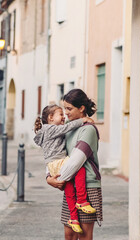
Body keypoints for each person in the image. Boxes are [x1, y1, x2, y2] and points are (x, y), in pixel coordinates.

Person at [46, 89, 103, 240]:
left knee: (84, 235)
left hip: (88, 187)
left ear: (82, 108)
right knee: (69, 234)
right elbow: (55, 153)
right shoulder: (68, 128)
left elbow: (75, 161)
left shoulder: (88, 130)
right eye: (64, 108)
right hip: (71, 185)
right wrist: (48, 177)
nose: (65, 113)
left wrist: (58, 179)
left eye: (69, 108)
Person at [33, 104, 96, 234]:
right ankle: (82, 201)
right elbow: (68, 126)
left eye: (66, 111)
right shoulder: (50, 129)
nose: (64, 117)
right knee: (80, 170)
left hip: (54, 165)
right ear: (51, 118)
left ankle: (73, 218)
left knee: (69, 190)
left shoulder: (49, 129)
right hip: (58, 163)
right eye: (61, 114)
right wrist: (83, 120)